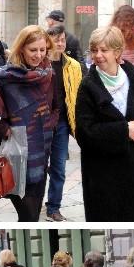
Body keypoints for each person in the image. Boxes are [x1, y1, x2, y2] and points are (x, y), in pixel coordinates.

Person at [74, 26, 134, 221]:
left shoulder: (133, 77)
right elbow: (84, 132)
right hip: (103, 173)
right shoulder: (88, 86)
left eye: (104, 50)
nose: (98, 55)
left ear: (117, 51)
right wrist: (123, 130)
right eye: (94, 50)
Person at [0, 26, 57, 221]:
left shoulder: (49, 73)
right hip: (16, 154)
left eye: (42, 49)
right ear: (21, 48)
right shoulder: (4, 76)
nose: (38, 55)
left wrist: (48, 124)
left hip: (41, 151)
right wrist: (7, 131)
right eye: (33, 50)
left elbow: (57, 106)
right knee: (27, 215)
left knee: (33, 216)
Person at [43, 24, 83, 222]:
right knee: (39, 169)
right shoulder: (40, 64)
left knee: (58, 167)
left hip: (62, 124)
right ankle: (34, 203)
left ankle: (53, 207)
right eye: (56, 39)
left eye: (62, 39)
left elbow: (79, 94)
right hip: (40, 125)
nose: (60, 43)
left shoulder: (72, 66)